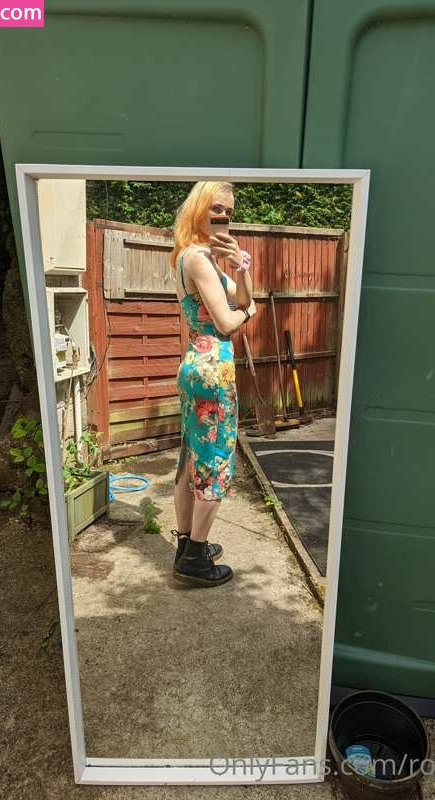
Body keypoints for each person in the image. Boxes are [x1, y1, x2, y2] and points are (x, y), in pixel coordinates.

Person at [169, 181, 256, 587]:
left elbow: (243, 297)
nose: (223, 216)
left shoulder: (196, 256)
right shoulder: (199, 259)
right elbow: (228, 320)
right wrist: (249, 313)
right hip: (212, 372)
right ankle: (196, 560)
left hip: (193, 366)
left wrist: (242, 267)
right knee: (215, 462)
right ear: (198, 208)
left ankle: (187, 545)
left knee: (191, 459)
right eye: (216, 208)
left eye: (228, 212)